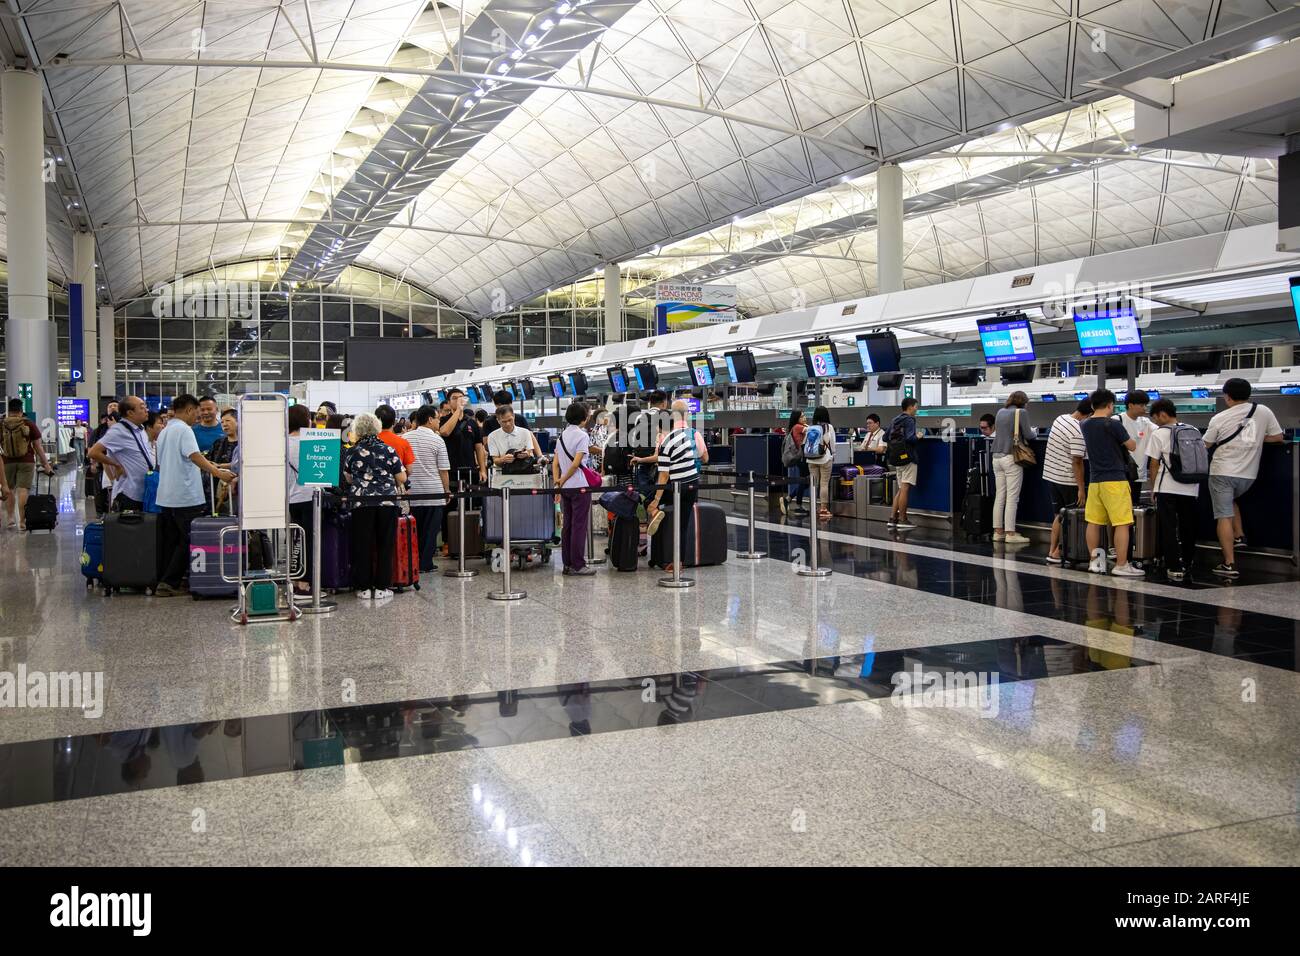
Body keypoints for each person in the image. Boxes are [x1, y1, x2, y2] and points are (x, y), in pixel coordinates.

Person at [153, 395, 237, 597]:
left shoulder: (165, 431)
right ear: (190, 410)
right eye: (197, 413)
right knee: (189, 539)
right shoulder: (184, 430)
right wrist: (219, 473)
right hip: (185, 495)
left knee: (172, 540)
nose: (198, 418)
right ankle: (169, 582)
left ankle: (167, 580)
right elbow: (195, 456)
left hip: (166, 494)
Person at [1202, 377, 1285, 578]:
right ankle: (1239, 535)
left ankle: (1229, 564)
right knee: (1231, 502)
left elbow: (1205, 444)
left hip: (1222, 472)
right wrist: (1255, 439)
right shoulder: (1263, 411)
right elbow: (1277, 437)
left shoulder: (1219, 418)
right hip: (1248, 476)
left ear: (1227, 397)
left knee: (1223, 515)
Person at [342, 412, 406, 600]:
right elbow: (401, 477)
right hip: (387, 502)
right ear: (377, 428)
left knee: (362, 544)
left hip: (361, 502)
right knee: (385, 544)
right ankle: (381, 587)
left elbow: (348, 477)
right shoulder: (388, 450)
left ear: (357, 430)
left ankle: (363, 587)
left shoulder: (352, 451)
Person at [1081, 389, 1142, 577]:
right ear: (1110, 405)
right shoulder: (1113, 424)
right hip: (1115, 480)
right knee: (1122, 523)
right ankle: (1122, 564)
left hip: (1095, 480)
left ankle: (1095, 562)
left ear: (1092, 405)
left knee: (1094, 522)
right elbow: (1132, 446)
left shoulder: (1085, 424)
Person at [646, 399, 709, 571]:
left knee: (647, 499)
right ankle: (679, 560)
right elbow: (705, 457)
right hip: (692, 483)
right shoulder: (689, 435)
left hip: (676, 488)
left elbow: (664, 474)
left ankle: (654, 511)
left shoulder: (665, 442)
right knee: (683, 523)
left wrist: (656, 501)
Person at [1147, 399, 1201, 583]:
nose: (1155, 422)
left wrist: (1153, 487)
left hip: (1168, 487)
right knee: (1188, 526)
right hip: (1192, 487)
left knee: (1169, 527)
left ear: (1162, 414)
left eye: (1155, 418)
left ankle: (1173, 566)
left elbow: (1154, 464)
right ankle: (1187, 561)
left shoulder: (1159, 433)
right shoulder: (1193, 430)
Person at [1043, 398, 1091, 565]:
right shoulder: (1079, 430)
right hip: (1068, 480)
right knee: (1070, 517)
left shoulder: (1060, 418)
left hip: (1051, 476)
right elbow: (1077, 462)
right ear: (1089, 414)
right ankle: (1058, 552)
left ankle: (1052, 551)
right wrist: (1081, 489)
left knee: (1058, 515)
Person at [405, 405, 451, 574]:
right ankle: (425, 563)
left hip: (412, 492)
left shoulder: (405, 438)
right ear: (430, 419)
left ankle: (413, 563)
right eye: (438, 418)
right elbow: (443, 469)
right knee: (431, 531)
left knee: (414, 530)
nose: (439, 421)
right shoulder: (437, 440)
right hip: (434, 491)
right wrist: (446, 490)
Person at [553, 401, 597, 576]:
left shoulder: (561, 436)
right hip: (579, 486)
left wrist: (558, 482)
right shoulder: (582, 436)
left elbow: (556, 463)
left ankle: (567, 564)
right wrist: (563, 479)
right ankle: (578, 565)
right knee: (579, 526)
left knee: (568, 526)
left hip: (566, 488)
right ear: (584, 418)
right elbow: (576, 464)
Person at [1, 398, 55, 531]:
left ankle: (10, 518)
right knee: (23, 490)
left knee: (9, 489)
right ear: (21, 410)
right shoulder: (29, 424)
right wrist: (46, 464)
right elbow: (38, 447)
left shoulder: (2, 424)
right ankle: (23, 521)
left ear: (9, 410)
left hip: (6, 461)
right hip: (27, 461)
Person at [990, 391, 1036, 543]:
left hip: (996, 457)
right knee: (1012, 497)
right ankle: (1010, 533)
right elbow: (1029, 435)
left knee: (1000, 495)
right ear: (1023, 402)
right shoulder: (1021, 412)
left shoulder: (1000, 411)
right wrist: (1035, 432)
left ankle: (998, 532)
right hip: (1011, 457)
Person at [286, 405, 315, 595]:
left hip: (291, 497)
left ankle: (295, 578)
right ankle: (307, 581)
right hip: (312, 496)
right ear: (307, 420)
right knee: (311, 541)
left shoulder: (282, 443)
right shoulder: (312, 441)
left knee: (295, 539)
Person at [886, 397, 921, 529]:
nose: (916, 409)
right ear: (910, 407)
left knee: (901, 489)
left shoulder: (895, 419)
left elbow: (885, 437)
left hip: (896, 458)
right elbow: (910, 438)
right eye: (916, 406)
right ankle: (903, 519)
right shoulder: (910, 419)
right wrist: (918, 436)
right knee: (905, 488)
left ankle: (892, 518)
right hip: (908, 457)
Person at [1114, 389, 1153, 504]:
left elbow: (1159, 431)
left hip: (1138, 474)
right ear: (1130, 405)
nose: (1145, 408)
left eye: (1146, 405)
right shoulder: (1117, 421)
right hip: (1120, 475)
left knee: (1134, 505)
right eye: (1141, 405)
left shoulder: (1145, 422)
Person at [629, 391, 669, 500]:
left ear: (650, 403)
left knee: (643, 498)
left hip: (641, 462)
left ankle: (644, 517)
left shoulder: (639, 418)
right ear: (664, 403)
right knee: (659, 498)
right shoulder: (666, 417)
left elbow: (633, 441)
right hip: (660, 465)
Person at [805, 406, 836, 520]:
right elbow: (832, 444)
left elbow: (806, 443)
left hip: (811, 458)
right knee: (824, 484)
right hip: (824, 458)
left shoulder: (810, 427)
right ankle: (823, 509)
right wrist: (833, 455)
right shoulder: (829, 427)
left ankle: (813, 507)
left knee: (814, 484)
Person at [206, 409, 239, 515]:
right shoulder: (218, 443)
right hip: (219, 492)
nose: (224, 424)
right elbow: (210, 463)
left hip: (240, 492)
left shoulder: (246, 443)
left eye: (228, 421)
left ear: (239, 421)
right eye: (222, 422)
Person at [780, 409, 809, 515]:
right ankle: (798, 504)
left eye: (804, 416)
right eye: (802, 416)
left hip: (801, 458)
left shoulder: (796, 427)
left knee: (805, 481)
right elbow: (811, 430)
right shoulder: (798, 427)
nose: (804, 418)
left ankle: (788, 499)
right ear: (797, 418)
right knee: (804, 481)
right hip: (801, 458)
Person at [375, 404, 414, 471]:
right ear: (394, 422)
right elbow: (409, 469)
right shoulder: (403, 442)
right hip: (397, 480)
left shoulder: (367, 442)